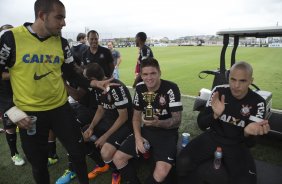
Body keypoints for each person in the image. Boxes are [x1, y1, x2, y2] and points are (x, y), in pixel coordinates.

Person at [0, 0, 114, 184]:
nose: (64, 23)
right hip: (29, 113)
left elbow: (71, 73)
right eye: (59, 17)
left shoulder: (61, 42)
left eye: (64, 18)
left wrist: (93, 83)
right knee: (38, 163)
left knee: (78, 153)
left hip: (60, 109)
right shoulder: (11, 39)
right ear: (42, 16)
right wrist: (12, 111)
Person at [176, 61, 270, 184]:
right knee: (182, 162)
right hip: (213, 136)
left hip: (237, 143)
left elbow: (250, 144)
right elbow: (201, 124)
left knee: (247, 181)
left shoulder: (258, 103)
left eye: (242, 81)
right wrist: (214, 115)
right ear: (228, 77)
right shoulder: (219, 91)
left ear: (251, 81)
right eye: (233, 79)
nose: (236, 85)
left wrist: (248, 133)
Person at [113, 57, 183, 184]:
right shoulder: (140, 88)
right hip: (147, 131)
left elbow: (177, 120)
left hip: (167, 133)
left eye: (153, 73)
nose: (149, 78)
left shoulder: (171, 88)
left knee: (162, 172)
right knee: (118, 158)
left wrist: (158, 123)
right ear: (141, 75)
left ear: (159, 73)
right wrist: (138, 138)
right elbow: (135, 118)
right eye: (145, 74)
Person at [82, 63, 133, 184]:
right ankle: (102, 165)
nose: (84, 81)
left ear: (93, 79)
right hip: (109, 122)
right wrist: (91, 127)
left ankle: (116, 171)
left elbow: (123, 117)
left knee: (106, 152)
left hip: (125, 124)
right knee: (82, 135)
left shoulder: (115, 87)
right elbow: (101, 109)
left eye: (85, 78)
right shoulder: (97, 88)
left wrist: (105, 136)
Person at [0, 24, 25, 166]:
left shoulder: (18, 49)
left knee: (26, 123)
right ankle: (14, 153)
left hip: (21, 92)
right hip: (6, 95)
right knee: (10, 125)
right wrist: (20, 74)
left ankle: (30, 150)